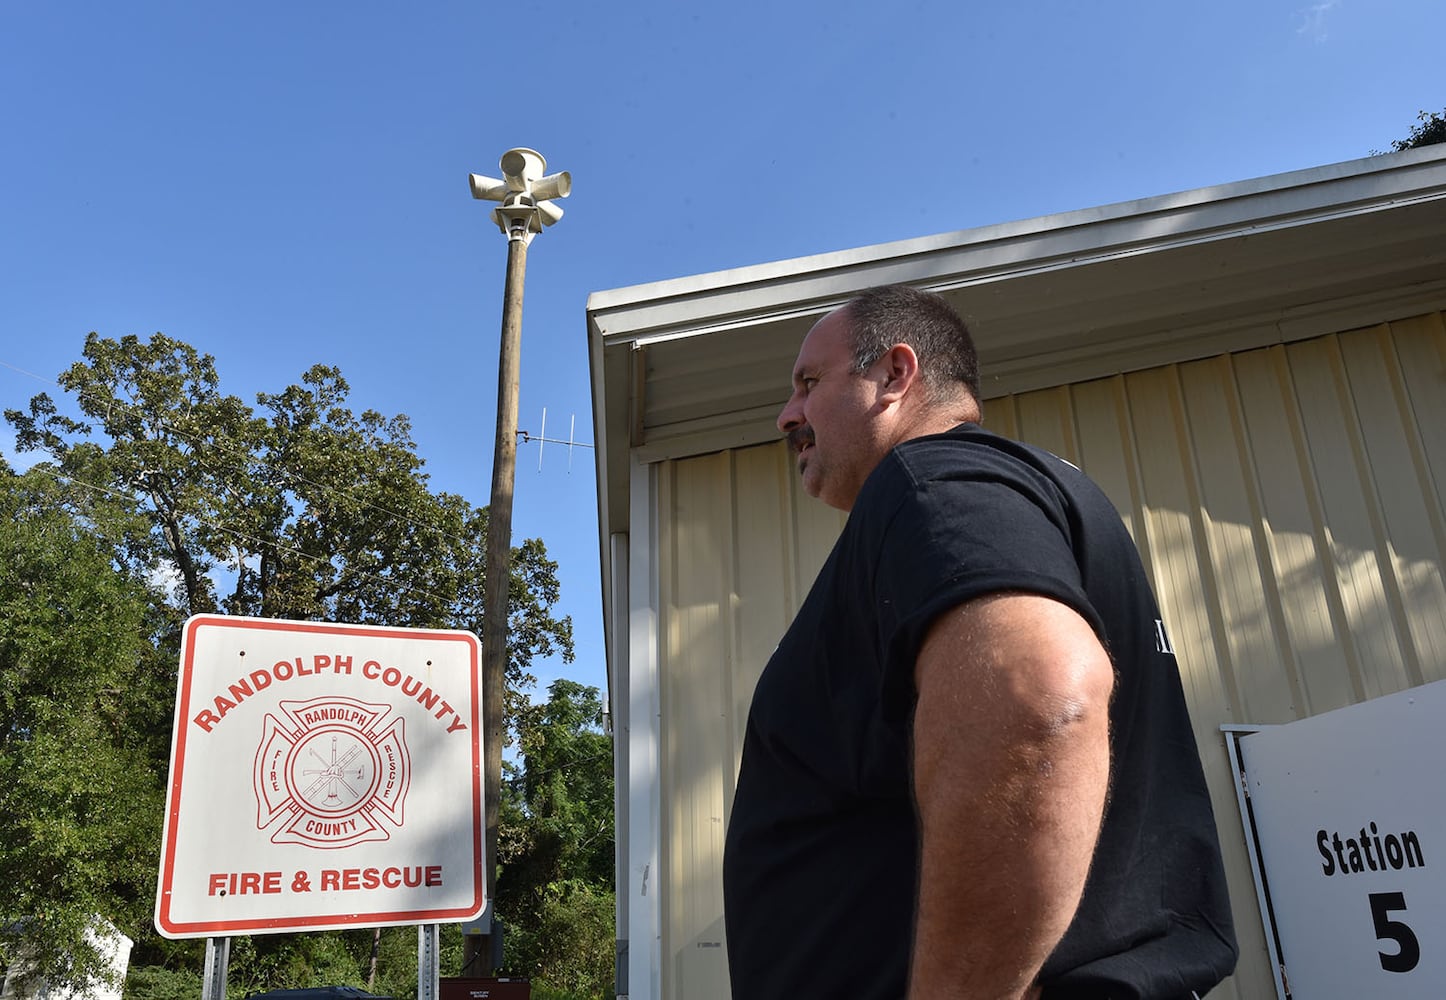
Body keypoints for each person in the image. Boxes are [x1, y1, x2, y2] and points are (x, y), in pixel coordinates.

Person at [722, 284, 1237, 999]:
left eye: (810, 383)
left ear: (894, 376)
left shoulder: (930, 481)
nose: (787, 415)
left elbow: (1035, 695)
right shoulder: (1012, 491)